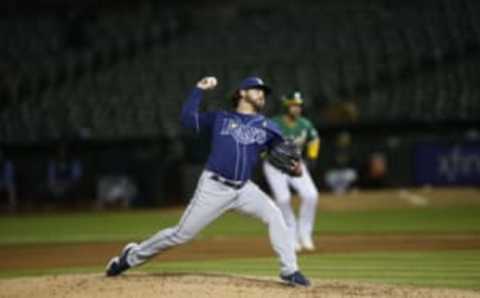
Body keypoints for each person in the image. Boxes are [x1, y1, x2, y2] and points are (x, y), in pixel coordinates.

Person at [105, 76, 311, 287]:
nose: (262, 94)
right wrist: (198, 90)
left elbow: (287, 157)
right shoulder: (220, 118)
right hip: (214, 187)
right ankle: (130, 257)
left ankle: (289, 270)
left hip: (244, 189)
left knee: (275, 215)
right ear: (241, 93)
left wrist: (296, 169)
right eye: (256, 89)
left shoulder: (269, 127)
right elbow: (187, 120)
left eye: (264, 92)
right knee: (181, 235)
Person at [263, 91, 320, 252]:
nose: (297, 109)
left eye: (299, 106)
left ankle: (305, 234)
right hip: (275, 166)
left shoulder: (305, 124)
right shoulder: (274, 123)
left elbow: (314, 138)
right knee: (283, 199)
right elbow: (262, 142)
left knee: (311, 195)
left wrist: (313, 156)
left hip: (295, 165)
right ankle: (291, 236)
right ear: (286, 107)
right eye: (293, 105)